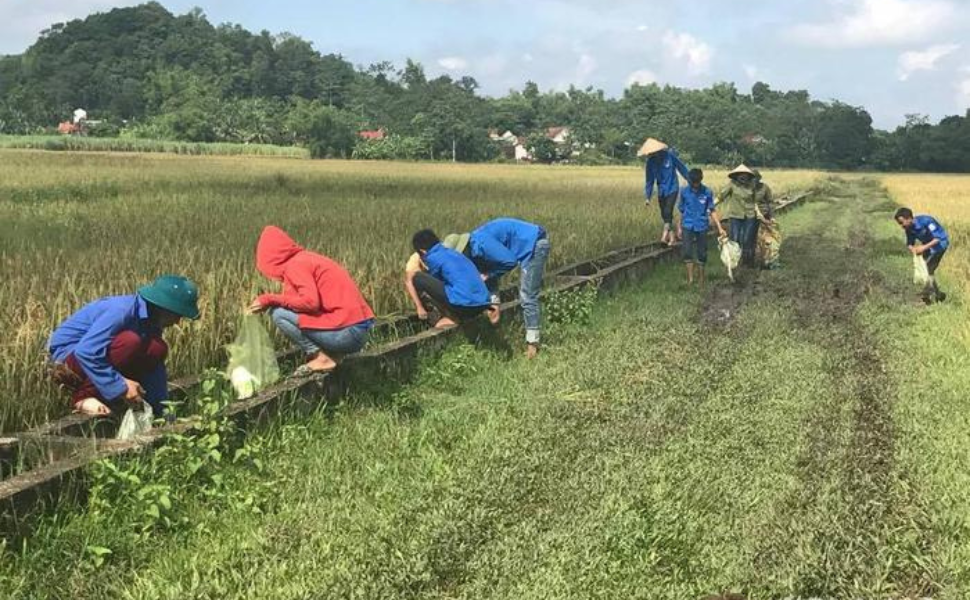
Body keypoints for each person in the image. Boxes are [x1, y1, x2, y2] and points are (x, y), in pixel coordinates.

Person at [47, 275, 201, 417]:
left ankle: (112, 396)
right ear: (164, 308)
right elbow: (86, 351)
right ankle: (82, 397)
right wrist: (121, 386)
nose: (177, 322)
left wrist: (162, 409)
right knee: (130, 341)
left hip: (94, 359)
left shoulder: (151, 321)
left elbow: (155, 369)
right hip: (68, 362)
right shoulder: (121, 311)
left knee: (157, 347)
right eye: (177, 315)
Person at [250, 226, 374, 376]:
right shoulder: (307, 258)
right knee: (286, 310)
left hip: (348, 334)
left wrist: (269, 299)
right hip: (357, 331)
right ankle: (333, 356)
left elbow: (310, 303)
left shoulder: (295, 266)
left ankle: (321, 358)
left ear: (270, 258)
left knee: (278, 313)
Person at [458, 218, 550, 358]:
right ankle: (499, 337)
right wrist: (493, 304)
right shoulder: (475, 253)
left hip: (533, 244)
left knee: (527, 295)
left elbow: (509, 262)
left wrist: (488, 275)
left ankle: (533, 347)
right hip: (529, 243)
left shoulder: (481, 244)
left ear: (464, 250)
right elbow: (490, 277)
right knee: (520, 293)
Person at [410, 229, 491, 329]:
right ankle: (456, 316)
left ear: (422, 251)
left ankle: (441, 317)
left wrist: (420, 306)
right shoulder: (454, 253)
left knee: (418, 278)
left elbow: (435, 285)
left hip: (465, 305)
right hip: (483, 303)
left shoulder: (432, 258)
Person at [677, 169, 726, 286]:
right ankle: (690, 279)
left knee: (702, 252)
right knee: (687, 251)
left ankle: (701, 279)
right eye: (693, 183)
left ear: (700, 180)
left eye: (697, 183)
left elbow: (712, 210)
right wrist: (678, 227)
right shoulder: (684, 192)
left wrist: (720, 228)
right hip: (687, 225)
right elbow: (682, 211)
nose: (695, 185)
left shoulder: (707, 192)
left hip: (702, 225)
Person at [639, 138, 691, 246]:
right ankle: (672, 238)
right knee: (665, 215)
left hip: (672, 188)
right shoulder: (650, 163)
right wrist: (648, 197)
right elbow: (649, 180)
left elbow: (681, 168)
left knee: (668, 211)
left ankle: (664, 236)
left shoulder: (669, 156)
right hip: (661, 190)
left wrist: (691, 181)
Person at [894, 208, 950, 304]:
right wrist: (914, 250)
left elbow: (938, 238)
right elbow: (909, 243)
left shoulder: (927, 221)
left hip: (940, 245)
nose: (901, 226)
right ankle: (938, 295)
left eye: (902, 223)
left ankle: (927, 295)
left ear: (909, 218)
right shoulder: (908, 229)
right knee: (928, 270)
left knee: (927, 268)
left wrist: (923, 248)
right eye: (899, 224)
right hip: (927, 247)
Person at [717, 164, 759, 268]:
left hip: (749, 215)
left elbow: (755, 201)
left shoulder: (751, 186)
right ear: (737, 176)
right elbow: (720, 197)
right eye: (741, 176)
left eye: (745, 176)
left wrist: (759, 214)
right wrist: (709, 207)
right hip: (735, 215)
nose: (743, 178)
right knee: (735, 239)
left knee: (747, 239)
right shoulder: (732, 185)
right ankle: (735, 261)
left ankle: (747, 261)